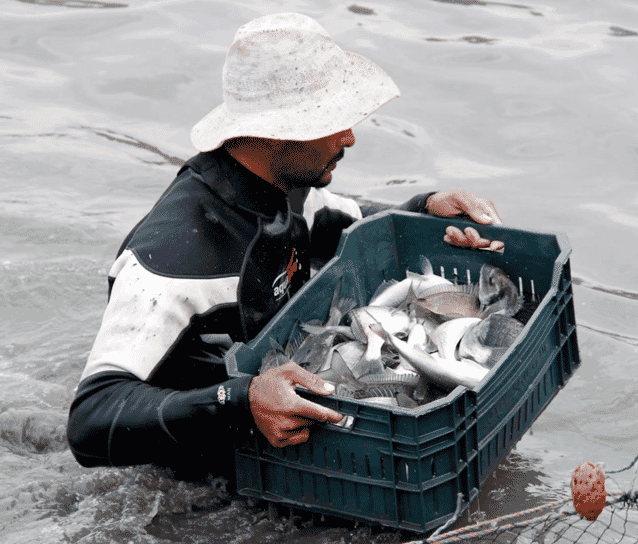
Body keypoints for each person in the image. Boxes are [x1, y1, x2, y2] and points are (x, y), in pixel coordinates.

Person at [66, 13, 503, 481]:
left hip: (280, 437)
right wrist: (240, 399)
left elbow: (346, 223)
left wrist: (424, 208)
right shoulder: (172, 260)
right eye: (333, 120)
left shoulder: (284, 185)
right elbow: (90, 420)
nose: (350, 137)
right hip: (195, 471)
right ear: (280, 130)